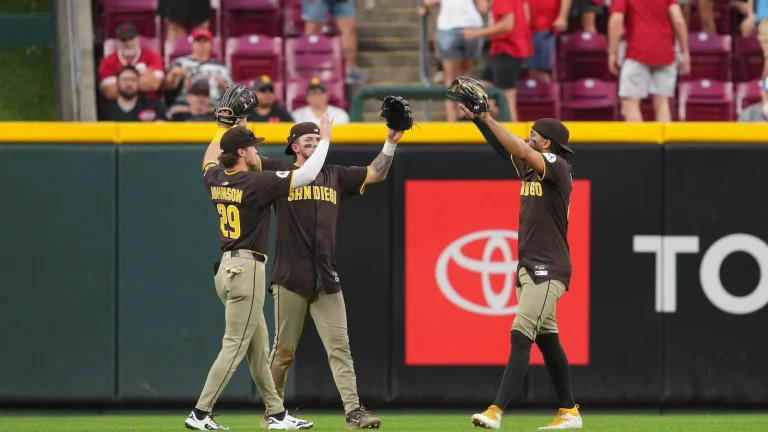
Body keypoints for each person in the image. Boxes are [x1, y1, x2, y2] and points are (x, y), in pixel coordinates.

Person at [186, 85, 326, 431]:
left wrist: (223, 126)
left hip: (228, 270)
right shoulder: (254, 182)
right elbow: (307, 175)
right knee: (234, 346)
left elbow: (208, 159)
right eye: (251, 145)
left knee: (256, 347)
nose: (255, 149)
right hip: (246, 269)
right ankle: (201, 413)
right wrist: (325, 140)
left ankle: (276, 414)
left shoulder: (217, 177)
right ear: (242, 153)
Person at [250, 120, 405, 429]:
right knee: (283, 353)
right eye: (308, 139)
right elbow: (250, 158)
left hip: (326, 277)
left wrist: (391, 141)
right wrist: (237, 126)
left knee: (340, 348)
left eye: (317, 138)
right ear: (293, 146)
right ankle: (273, 411)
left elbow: (377, 172)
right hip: (289, 276)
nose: (315, 141)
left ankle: (353, 412)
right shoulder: (280, 171)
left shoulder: (335, 175)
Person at [456, 101, 582, 430]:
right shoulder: (532, 165)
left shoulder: (556, 164)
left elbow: (520, 151)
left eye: (533, 135)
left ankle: (495, 411)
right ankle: (569, 412)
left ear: (548, 143)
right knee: (547, 338)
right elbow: (506, 148)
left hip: (548, 267)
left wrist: (487, 116)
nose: (527, 139)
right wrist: (478, 122)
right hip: (530, 264)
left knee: (520, 333)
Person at [608, 0, 690, 122]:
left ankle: (638, 140)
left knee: (629, 104)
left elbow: (616, 19)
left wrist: (612, 52)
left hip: (638, 51)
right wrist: (685, 51)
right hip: (665, 52)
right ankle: (665, 141)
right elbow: (678, 19)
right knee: (662, 104)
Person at [463, 0, 532, 122]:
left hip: (508, 50)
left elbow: (507, 25)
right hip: (502, 49)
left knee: (506, 99)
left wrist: (476, 33)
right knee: (482, 91)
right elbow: (527, 16)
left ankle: (511, 136)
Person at [424, 0, 488, 121]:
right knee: (466, 75)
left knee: (450, 78)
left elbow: (427, 2)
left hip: (448, 27)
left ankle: (451, 120)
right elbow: (483, 7)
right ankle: (465, 114)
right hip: (472, 27)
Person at [98, 22, 164, 100]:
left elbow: (154, 84)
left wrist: (122, 84)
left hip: (150, 103)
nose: (128, 43)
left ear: (138, 38)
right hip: (119, 107)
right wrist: (143, 80)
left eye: (131, 39)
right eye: (124, 40)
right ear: (118, 41)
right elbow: (110, 92)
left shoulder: (152, 56)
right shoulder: (107, 62)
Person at [98, 65, 167, 122]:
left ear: (138, 83)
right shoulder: (106, 110)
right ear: (117, 83)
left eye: (133, 80)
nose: (129, 83)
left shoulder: (154, 105)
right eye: (125, 80)